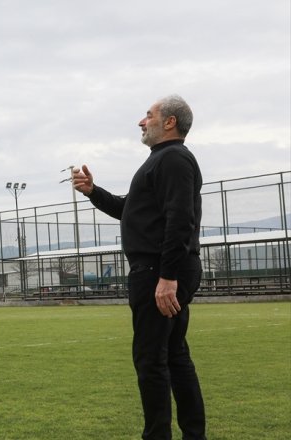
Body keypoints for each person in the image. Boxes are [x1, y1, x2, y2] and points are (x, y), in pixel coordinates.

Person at [72, 95, 206, 440]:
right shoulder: (162, 161)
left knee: (151, 360)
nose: (141, 121)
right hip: (163, 270)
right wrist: (92, 192)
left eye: (149, 115)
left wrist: (167, 277)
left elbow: (181, 220)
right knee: (174, 356)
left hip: (158, 272)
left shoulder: (173, 159)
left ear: (170, 122)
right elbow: (129, 210)